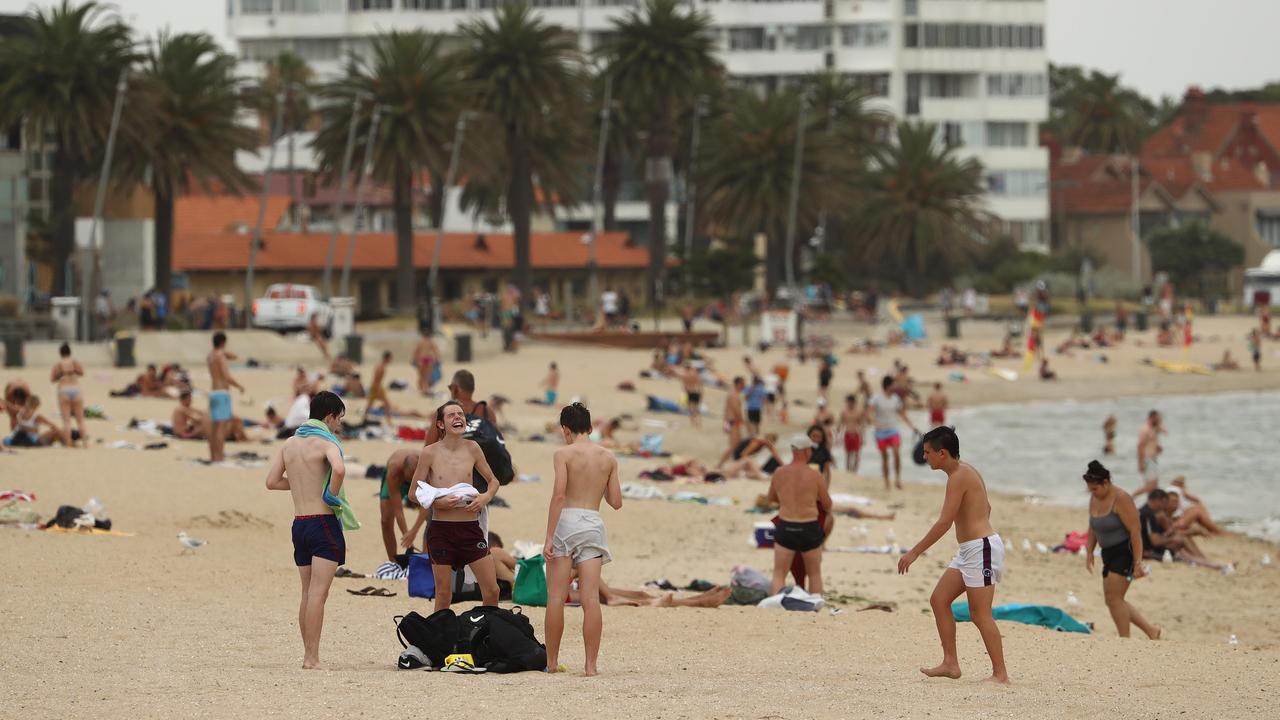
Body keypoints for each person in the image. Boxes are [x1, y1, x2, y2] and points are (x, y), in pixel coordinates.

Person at [897, 426, 1009, 684]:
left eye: (927, 453)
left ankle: (1000, 674)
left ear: (942, 453)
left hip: (982, 549)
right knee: (939, 599)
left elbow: (944, 523)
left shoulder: (959, 476)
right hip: (972, 549)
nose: (924, 457)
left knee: (980, 614)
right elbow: (987, 506)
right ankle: (950, 663)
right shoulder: (964, 471)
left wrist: (914, 552)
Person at [263, 391, 348, 669]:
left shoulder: (289, 443)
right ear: (329, 416)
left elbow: (272, 482)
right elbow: (339, 469)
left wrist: (303, 483)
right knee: (318, 595)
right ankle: (312, 658)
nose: (339, 426)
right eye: (339, 420)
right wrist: (331, 495)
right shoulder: (326, 442)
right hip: (323, 522)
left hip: (299, 524)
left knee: (306, 593)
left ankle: (308, 654)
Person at [544, 402, 623, 676]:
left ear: (566, 429)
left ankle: (552, 663)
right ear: (590, 427)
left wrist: (548, 536)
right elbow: (616, 502)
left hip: (567, 521)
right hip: (592, 521)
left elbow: (559, 495)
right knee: (591, 599)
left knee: (556, 597)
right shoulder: (608, 457)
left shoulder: (563, 454)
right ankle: (591, 666)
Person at [406, 400, 502, 613]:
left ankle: (487, 637)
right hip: (442, 531)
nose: (458, 417)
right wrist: (437, 502)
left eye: (460, 414)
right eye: (451, 415)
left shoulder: (473, 448)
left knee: (492, 590)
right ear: (440, 424)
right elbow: (413, 493)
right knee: (443, 593)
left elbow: (493, 481)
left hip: (470, 530)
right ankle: (440, 641)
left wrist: (485, 497)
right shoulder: (429, 453)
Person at [1083, 460, 1160, 639]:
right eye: (1090, 489)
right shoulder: (1094, 498)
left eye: (1095, 488)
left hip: (1125, 551)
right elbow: (1093, 525)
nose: (1092, 492)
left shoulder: (1121, 498)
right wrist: (1089, 551)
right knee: (1113, 599)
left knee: (1114, 599)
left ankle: (1124, 639)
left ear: (1106, 483)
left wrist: (1138, 562)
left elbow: (1135, 531)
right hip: (1108, 553)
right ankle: (1151, 631)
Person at [767, 434, 833, 595]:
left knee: (779, 573)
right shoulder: (814, 475)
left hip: (786, 526)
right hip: (809, 527)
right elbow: (828, 505)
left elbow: (771, 498)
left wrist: (787, 500)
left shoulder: (779, 473)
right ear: (806, 451)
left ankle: (776, 606)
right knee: (814, 574)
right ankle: (816, 608)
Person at [424, 370, 498, 445]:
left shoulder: (443, 412)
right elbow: (498, 443)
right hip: (484, 456)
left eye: (450, 388)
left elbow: (428, 447)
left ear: (455, 388)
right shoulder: (487, 411)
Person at [870, 376, 917, 490]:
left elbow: (902, 413)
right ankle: (886, 482)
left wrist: (912, 426)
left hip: (893, 430)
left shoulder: (895, 399)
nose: (895, 386)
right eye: (893, 384)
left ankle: (897, 479)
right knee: (885, 457)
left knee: (896, 454)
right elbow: (869, 412)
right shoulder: (876, 398)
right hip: (880, 432)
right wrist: (874, 423)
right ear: (888, 385)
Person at [206, 331, 244, 463]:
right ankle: (219, 457)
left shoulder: (210, 356)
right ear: (223, 342)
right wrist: (239, 386)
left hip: (213, 393)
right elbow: (226, 377)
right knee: (221, 427)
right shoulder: (221, 356)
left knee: (213, 427)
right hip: (222, 393)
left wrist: (227, 354)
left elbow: (229, 355)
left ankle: (212, 456)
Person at [378, 448, 420, 564]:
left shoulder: (426, 470)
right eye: (409, 480)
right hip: (397, 477)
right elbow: (398, 509)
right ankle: (393, 561)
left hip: (420, 479)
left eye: (413, 480)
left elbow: (426, 510)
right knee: (386, 519)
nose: (411, 483)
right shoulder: (394, 471)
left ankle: (426, 560)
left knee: (431, 518)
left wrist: (414, 531)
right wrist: (407, 535)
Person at [50, 343, 88, 448]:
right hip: (76, 389)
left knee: (66, 420)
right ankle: (85, 441)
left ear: (60, 353)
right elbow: (82, 373)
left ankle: (68, 442)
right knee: (80, 419)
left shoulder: (58, 364)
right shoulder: (74, 362)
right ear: (70, 352)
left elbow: (52, 379)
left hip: (63, 390)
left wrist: (61, 375)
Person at [2, 394, 68, 447]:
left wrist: (2, 401)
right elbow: (52, 425)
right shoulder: (36, 416)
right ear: (36, 406)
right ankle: (67, 442)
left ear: (26, 402)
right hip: (32, 439)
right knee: (56, 432)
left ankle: (65, 441)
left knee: (6, 440)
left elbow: (10, 406)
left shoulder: (21, 411)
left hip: (15, 437)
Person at [1133, 411, 1162, 498]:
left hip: (1153, 459)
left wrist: (1158, 448)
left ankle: (1152, 505)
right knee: (1149, 487)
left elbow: (1163, 431)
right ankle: (1131, 497)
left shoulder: (1152, 428)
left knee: (1155, 486)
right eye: (1157, 418)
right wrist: (1140, 462)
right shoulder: (1145, 429)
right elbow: (1140, 446)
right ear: (1152, 417)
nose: (1159, 420)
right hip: (1147, 459)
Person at [837, 394, 865, 473]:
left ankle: (855, 470)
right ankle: (848, 470)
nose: (850, 404)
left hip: (856, 434)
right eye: (848, 402)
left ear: (854, 402)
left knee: (856, 454)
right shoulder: (844, 412)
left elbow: (862, 424)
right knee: (848, 454)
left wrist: (863, 437)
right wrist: (837, 437)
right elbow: (840, 424)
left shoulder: (858, 412)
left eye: (851, 402)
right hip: (847, 434)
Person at [364, 351, 394, 422]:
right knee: (387, 404)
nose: (391, 360)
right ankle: (389, 421)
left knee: (370, 404)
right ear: (387, 358)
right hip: (377, 387)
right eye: (390, 358)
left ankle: (364, 418)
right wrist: (378, 390)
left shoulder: (379, 365)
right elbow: (376, 379)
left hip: (375, 386)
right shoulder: (381, 367)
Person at [411, 330, 439, 396]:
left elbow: (416, 351)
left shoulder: (420, 342)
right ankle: (425, 388)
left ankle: (421, 389)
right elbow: (435, 351)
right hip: (429, 358)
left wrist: (414, 359)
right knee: (427, 375)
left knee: (421, 375)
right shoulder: (431, 342)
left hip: (422, 359)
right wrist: (437, 359)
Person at [724, 376, 746, 455]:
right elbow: (736, 409)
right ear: (739, 384)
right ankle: (720, 463)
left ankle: (734, 460)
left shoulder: (733, 394)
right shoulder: (734, 395)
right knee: (734, 445)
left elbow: (726, 409)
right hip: (732, 421)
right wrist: (742, 420)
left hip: (731, 421)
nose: (744, 385)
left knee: (737, 443)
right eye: (743, 384)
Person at [681, 361, 703, 429]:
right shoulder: (694, 373)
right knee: (696, 408)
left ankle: (693, 422)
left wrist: (684, 394)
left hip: (689, 392)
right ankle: (698, 422)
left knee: (690, 408)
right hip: (696, 391)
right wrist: (701, 392)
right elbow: (699, 383)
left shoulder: (684, 375)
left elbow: (684, 386)